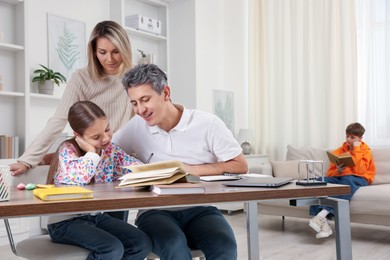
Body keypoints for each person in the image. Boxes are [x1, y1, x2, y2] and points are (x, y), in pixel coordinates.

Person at [112, 64, 248, 260]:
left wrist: (193, 169)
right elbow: (107, 151)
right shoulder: (136, 126)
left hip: (201, 209)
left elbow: (240, 164)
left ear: (165, 92)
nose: (140, 110)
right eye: (134, 103)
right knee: (174, 247)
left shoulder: (207, 124)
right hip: (155, 212)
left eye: (145, 100)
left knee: (225, 246)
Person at [10, 20, 134, 176]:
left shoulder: (134, 76)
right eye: (102, 52)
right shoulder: (81, 78)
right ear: (94, 52)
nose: (109, 59)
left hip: (120, 154)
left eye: (116, 51)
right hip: (89, 154)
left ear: (125, 49)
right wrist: (27, 160)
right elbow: (58, 120)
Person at [46, 100, 152, 259]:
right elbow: (81, 178)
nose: (105, 139)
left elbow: (135, 166)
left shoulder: (110, 150)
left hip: (97, 217)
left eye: (107, 129)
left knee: (141, 243)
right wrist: (92, 153)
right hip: (65, 222)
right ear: (78, 136)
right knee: (111, 248)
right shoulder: (67, 151)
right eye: (96, 136)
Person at [309, 122, 376, 239]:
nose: (348, 140)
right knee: (319, 180)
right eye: (347, 136)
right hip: (341, 177)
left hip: (360, 178)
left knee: (347, 180)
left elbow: (360, 171)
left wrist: (357, 148)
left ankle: (321, 215)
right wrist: (338, 171)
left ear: (360, 138)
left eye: (352, 137)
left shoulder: (365, 151)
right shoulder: (339, 150)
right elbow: (330, 173)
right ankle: (324, 226)